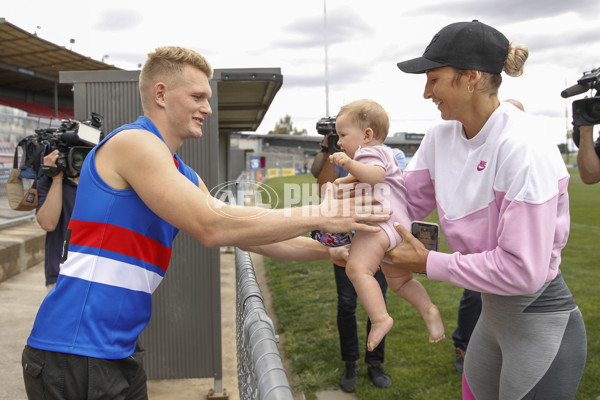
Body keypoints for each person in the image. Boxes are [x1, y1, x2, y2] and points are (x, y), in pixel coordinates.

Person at [21, 46, 390, 400]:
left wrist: (330, 252)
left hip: (115, 350)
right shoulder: (133, 142)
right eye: (198, 97)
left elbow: (245, 232)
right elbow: (212, 227)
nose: (207, 108)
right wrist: (320, 215)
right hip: (75, 348)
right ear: (161, 94)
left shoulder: (178, 170)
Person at [387, 20, 587, 399]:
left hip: (539, 323)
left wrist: (428, 262)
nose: (426, 93)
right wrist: (358, 208)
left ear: (471, 78)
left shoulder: (523, 147)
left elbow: (522, 271)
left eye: (434, 79)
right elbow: (406, 202)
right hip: (491, 319)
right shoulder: (440, 136)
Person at [328, 99, 445, 354]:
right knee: (400, 282)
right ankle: (428, 309)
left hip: (381, 225)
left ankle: (380, 318)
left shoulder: (368, 152)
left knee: (358, 269)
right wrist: (343, 183)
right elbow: (365, 178)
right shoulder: (381, 154)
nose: (339, 141)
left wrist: (347, 165)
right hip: (396, 227)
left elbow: (375, 176)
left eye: (343, 134)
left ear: (367, 135)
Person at [313, 131, 395, 392]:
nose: (343, 137)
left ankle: (375, 363)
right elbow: (323, 188)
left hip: (375, 244)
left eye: (345, 132)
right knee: (346, 305)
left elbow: (392, 190)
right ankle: (351, 362)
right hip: (344, 245)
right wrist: (329, 151)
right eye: (340, 133)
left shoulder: (387, 155)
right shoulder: (341, 155)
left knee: (377, 303)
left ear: (368, 132)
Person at [452, 98, 524, 375]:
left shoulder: (522, 153)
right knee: (473, 298)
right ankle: (461, 345)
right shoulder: (480, 152)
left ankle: (505, 349)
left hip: (510, 253)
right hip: (481, 250)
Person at [35, 150, 79, 291]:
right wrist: (57, 179)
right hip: (61, 273)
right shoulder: (48, 182)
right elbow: (48, 223)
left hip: (95, 271)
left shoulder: (100, 180)